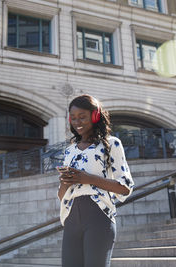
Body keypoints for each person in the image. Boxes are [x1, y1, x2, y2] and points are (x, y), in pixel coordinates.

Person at [57, 94, 134, 267]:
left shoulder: (112, 144)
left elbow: (125, 187)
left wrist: (86, 178)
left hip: (99, 216)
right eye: (73, 118)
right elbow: (62, 195)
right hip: (71, 218)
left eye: (82, 117)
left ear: (95, 116)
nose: (77, 122)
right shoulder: (69, 151)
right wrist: (65, 182)